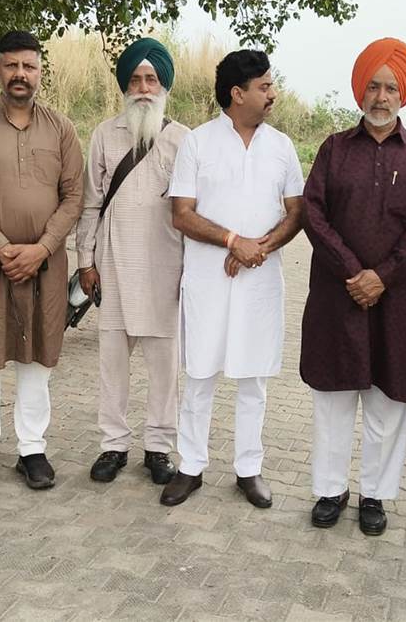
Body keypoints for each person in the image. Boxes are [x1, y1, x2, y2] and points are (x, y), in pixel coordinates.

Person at [300, 38, 406, 536]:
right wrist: (352, 270)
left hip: (399, 300)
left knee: (388, 403)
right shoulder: (334, 149)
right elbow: (313, 213)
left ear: (404, 95)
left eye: (391, 88)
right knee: (335, 399)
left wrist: (383, 275)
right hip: (338, 296)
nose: (381, 97)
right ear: (361, 90)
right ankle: (330, 490)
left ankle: (375, 496)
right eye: (374, 86)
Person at [159, 50, 305, 508]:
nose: (273, 94)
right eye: (265, 86)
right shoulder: (198, 142)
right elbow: (181, 213)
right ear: (237, 94)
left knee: (253, 378)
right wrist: (231, 241)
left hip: (260, 280)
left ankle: (248, 469)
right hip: (208, 279)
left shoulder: (281, 146)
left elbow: (297, 212)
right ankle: (190, 466)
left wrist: (257, 248)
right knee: (200, 375)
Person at [0, 30, 84, 492]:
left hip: (45, 267)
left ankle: (32, 449)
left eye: (29, 66)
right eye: (11, 65)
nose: (20, 74)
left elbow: (74, 196)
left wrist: (42, 248)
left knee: (37, 361)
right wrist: (2, 246)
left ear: (40, 72)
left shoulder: (61, 128)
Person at [75, 38, 189, 485]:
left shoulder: (183, 139)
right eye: (136, 80)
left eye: (151, 79)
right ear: (125, 86)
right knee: (112, 363)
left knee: (164, 366)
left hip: (166, 268)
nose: (143, 88)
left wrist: (192, 273)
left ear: (164, 86)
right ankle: (113, 445)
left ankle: (159, 447)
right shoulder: (105, 134)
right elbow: (90, 203)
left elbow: (193, 210)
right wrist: (86, 261)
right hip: (114, 265)